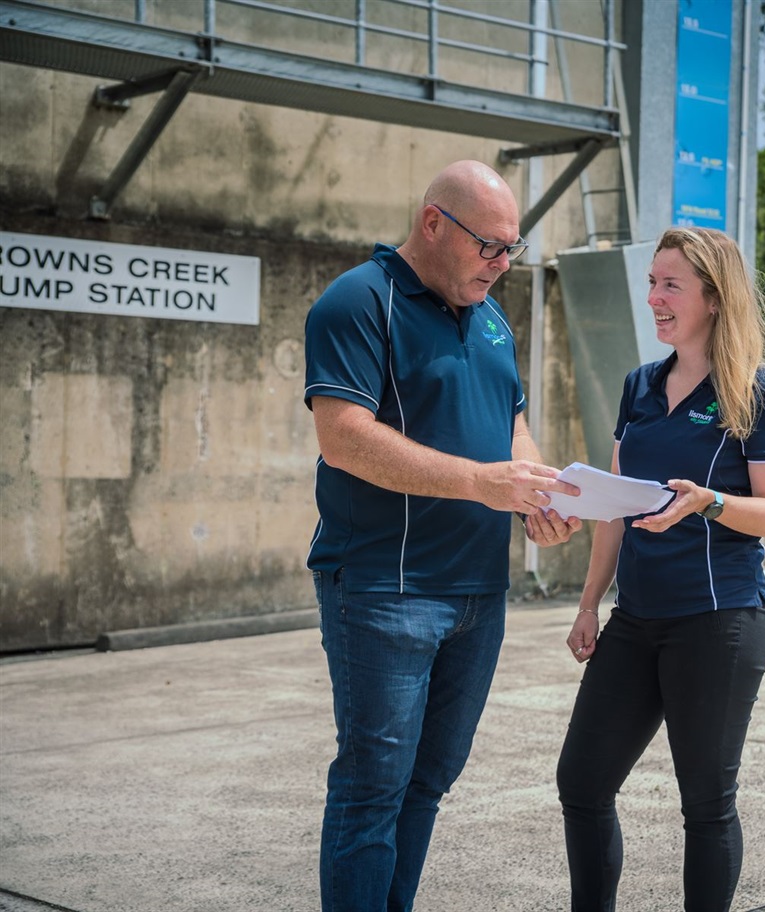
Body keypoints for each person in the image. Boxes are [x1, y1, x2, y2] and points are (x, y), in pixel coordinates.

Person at [304, 159, 582, 912]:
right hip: (384, 593)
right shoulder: (359, 303)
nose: (501, 264)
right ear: (433, 224)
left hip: (477, 595)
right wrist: (479, 482)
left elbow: (513, 426)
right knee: (372, 790)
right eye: (489, 246)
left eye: (511, 249)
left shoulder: (492, 319)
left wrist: (533, 494)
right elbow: (344, 439)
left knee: (429, 781)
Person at [556, 227, 765, 912]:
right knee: (581, 780)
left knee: (706, 804)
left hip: (718, 621)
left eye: (671, 286)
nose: (655, 298)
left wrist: (710, 502)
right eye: (652, 283)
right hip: (636, 619)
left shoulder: (761, 393)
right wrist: (587, 604)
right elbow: (613, 507)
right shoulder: (640, 384)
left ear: (715, 299)